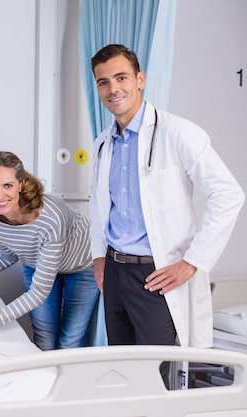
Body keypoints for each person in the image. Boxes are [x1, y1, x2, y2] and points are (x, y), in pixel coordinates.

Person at [88, 44, 244, 364]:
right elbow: (99, 205)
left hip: (156, 274)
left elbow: (229, 194)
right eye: (104, 82)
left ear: (140, 79)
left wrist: (193, 261)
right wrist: (98, 258)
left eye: (121, 78)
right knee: (123, 368)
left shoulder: (178, 132)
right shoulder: (103, 143)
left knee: (158, 374)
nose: (113, 88)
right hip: (115, 271)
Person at [0, 151, 100, 350]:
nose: (0, 196)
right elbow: (9, 254)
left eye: (7, 185)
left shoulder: (50, 217)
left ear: (21, 183)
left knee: (70, 340)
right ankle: (46, 380)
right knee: (44, 336)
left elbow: (39, 292)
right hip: (38, 265)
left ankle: (68, 380)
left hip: (82, 265)